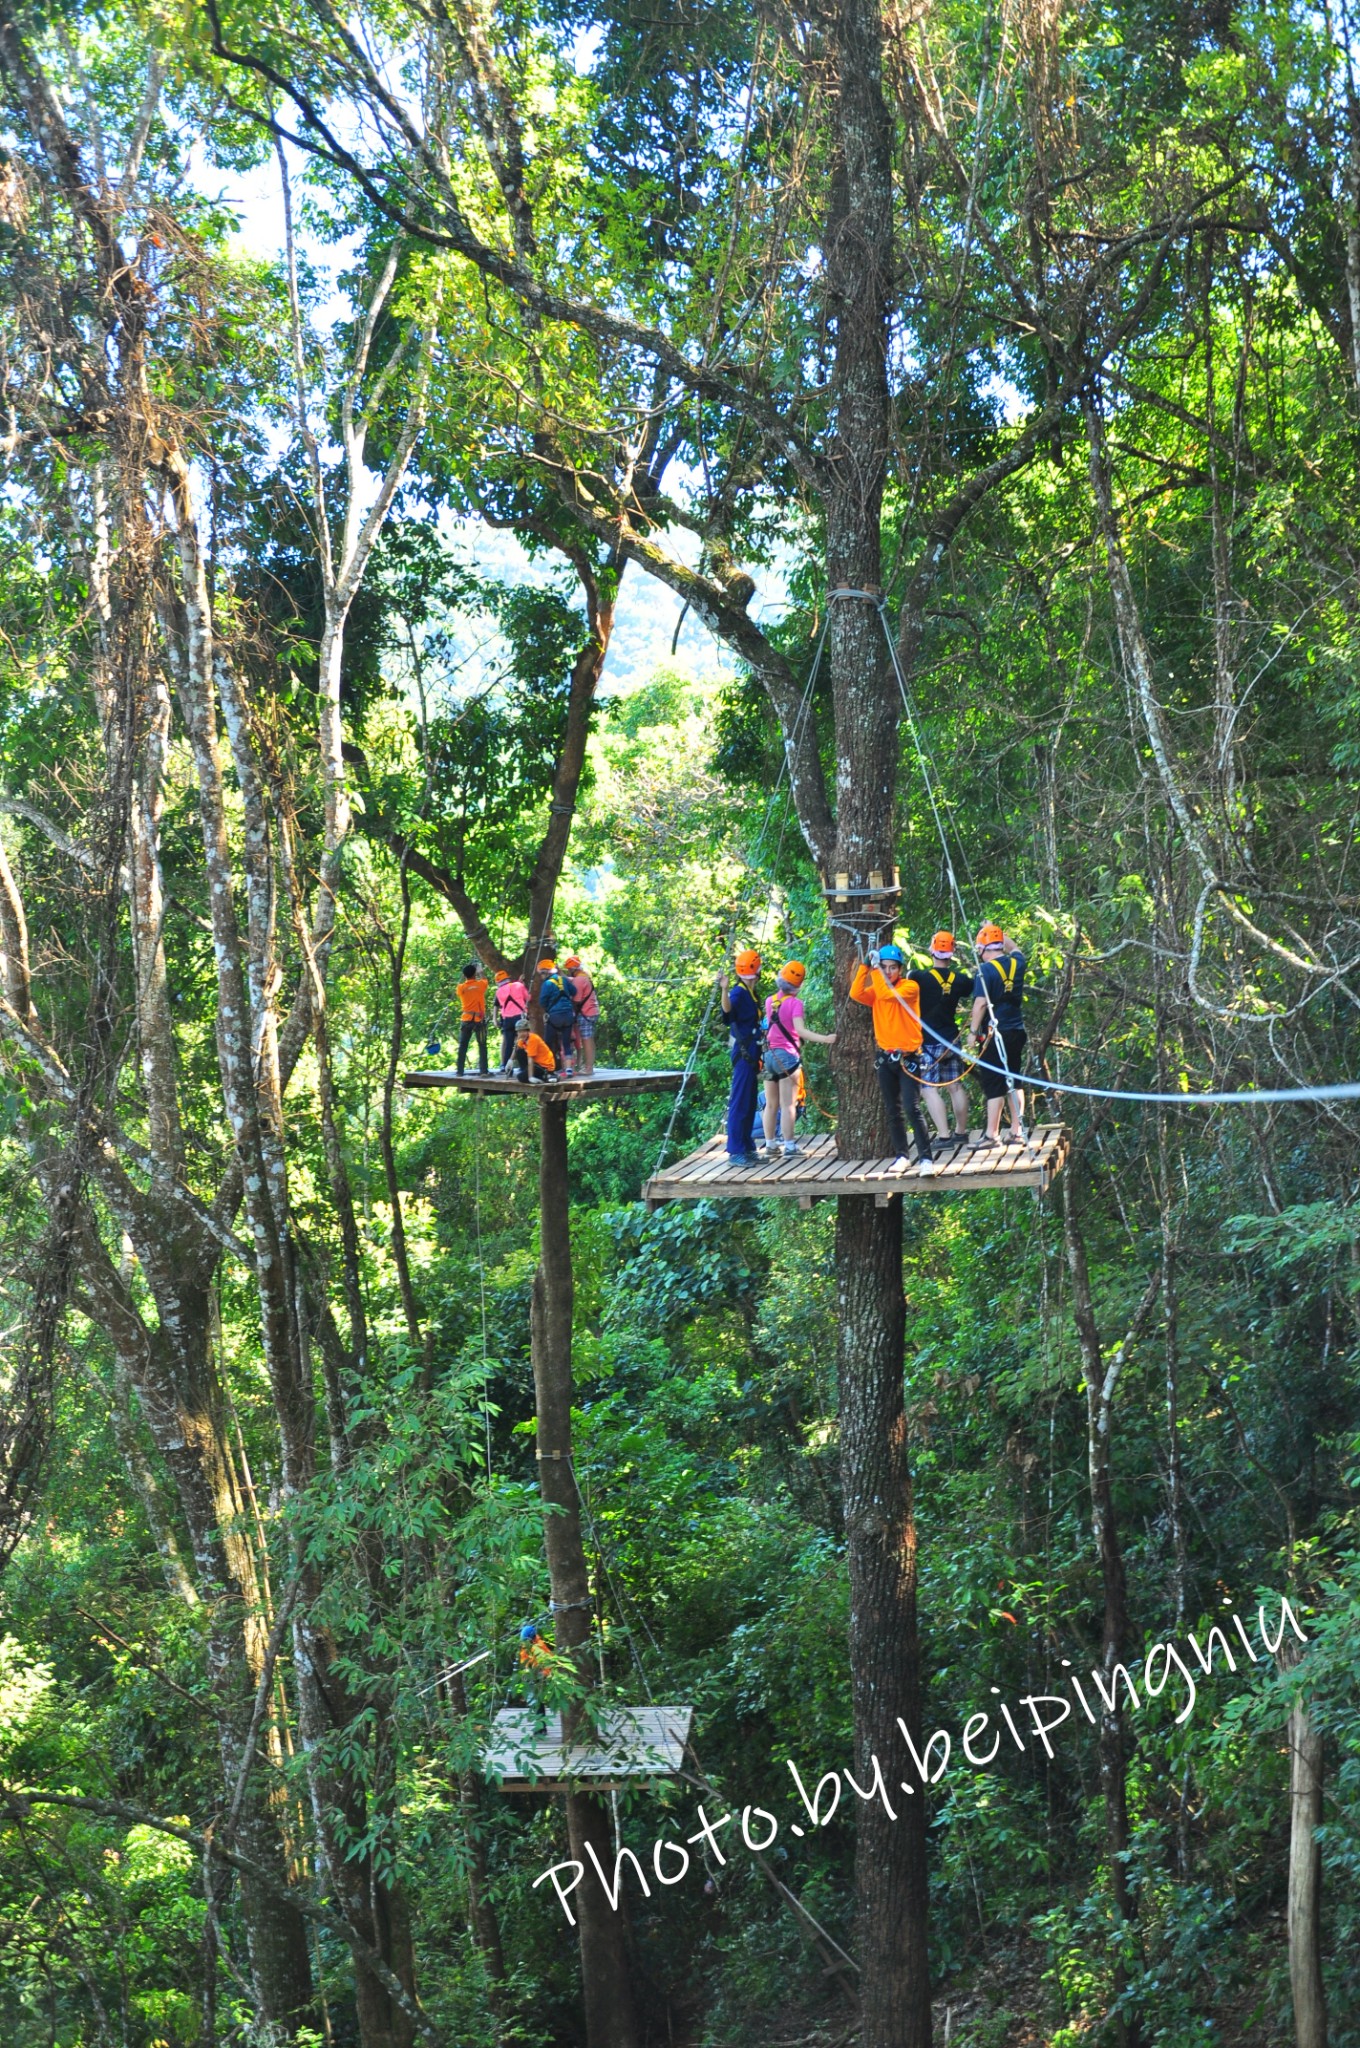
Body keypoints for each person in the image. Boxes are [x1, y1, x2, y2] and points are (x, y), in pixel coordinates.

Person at [849, 942, 938, 1175]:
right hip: (886, 1058)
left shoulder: (910, 987)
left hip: (909, 1058)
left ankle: (926, 1158)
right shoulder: (877, 989)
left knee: (912, 1107)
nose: (888, 972)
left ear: (900, 969)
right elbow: (856, 993)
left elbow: (889, 995)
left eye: (892, 968)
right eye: (885, 967)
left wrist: (876, 970)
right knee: (892, 1110)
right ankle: (902, 1155)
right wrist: (865, 967)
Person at [759, 961, 835, 1159]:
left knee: (771, 1104)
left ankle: (770, 1145)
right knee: (788, 1105)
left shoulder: (770, 1001)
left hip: (768, 1056)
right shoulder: (795, 1004)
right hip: (787, 1057)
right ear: (798, 985)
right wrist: (826, 1039)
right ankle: (790, 1146)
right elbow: (800, 1031)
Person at [967, 923, 1029, 1146]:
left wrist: (973, 1033)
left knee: (994, 1083)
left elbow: (981, 1004)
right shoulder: (1017, 963)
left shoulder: (985, 971)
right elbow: (1015, 948)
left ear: (983, 949)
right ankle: (1017, 1131)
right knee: (1014, 1079)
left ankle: (991, 1135)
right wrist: (997, 931)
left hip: (995, 1034)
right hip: (1016, 1030)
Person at [909, 932, 971, 1150]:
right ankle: (960, 1133)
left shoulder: (919, 977)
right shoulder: (961, 980)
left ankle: (944, 1137)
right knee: (955, 1085)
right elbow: (974, 988)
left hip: (929, 1042)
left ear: (932, 949)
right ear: (951, 953)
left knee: (928, 1089)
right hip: (952, 1039)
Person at [717, 948, 762, 1166]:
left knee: (750, 1100)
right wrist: (724, 989)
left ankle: (746, 1146)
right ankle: (735, 1150)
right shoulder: (738, 992)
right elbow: (728, 1010)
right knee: (740, 1100)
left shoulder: (750, 992)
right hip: (744, 1052)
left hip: (752, 1051)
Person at [536, 958, 578, 1077]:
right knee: (566, 1043)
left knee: (548, 1042)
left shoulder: (547, 984)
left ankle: (548, 1068)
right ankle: (568, 1069)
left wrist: (549, 1007)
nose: (541, 977)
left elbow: (542, 1001)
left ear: (545, 972)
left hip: (555, 1016)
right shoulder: (563, 979)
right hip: (568, 1015)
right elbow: (574, 991)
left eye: (541, 974)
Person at [563, 953, 599, 1078]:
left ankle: (589, 1068)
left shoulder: (579, 980)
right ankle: (589, 1065)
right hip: (591, 1011)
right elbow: (571, 980)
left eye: (568, 970)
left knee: (586, 1039)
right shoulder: (584, 976)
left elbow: (576, 1000)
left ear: (573, 969)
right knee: (589, 1039)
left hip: (586, 1013)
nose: (568, 973)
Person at [455, 961, 490, 1076]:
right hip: (479, 1021)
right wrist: (481, 971)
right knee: (482, 1045)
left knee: (463, 1045)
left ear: (465, 975)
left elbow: (460, 988)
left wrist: (466, 977)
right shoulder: (480, 985)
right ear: (475, 974)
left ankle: (460, 1071)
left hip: (466, 1020)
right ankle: (483, 1071)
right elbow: (485, 980)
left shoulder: (461, 988)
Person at [494, 968, 529, 1070]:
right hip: (519, 1017)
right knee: (522, 1041)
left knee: (508, 1043)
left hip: (507, 1020)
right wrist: (522, 985)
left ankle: (505, 1065)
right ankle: (523, 1066)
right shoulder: (518, 985)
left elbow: (502, 1001)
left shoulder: (498, 992)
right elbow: (528, 997)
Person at [511, 1016, 556, 1082]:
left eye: (524, 1031)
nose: (521, 1034)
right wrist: (510, 1060)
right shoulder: (522, 1039)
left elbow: (530, 1059)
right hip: (537, 1064)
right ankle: (530, 1074)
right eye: (519, 1032)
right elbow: (516, 1049)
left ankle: (547, 1077)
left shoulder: (533, 1039)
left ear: (528, 1031)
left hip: (545, 1067)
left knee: (521, 1077)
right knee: (519, 1052)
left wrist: (530, 1077)